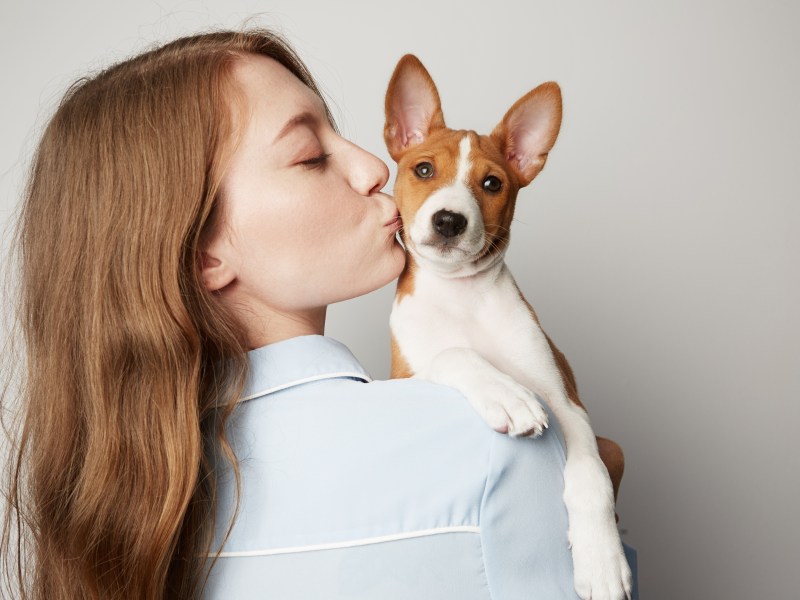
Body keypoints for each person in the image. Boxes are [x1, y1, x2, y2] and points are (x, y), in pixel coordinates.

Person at [1, 28, 636, 599]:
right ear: (204, 254)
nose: (373, 167)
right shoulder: (490, 444)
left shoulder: (127, 507)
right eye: (311, 154)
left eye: (340, 134)